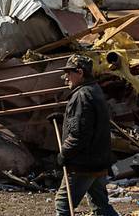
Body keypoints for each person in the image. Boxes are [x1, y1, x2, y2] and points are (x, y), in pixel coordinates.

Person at [49, 54, 119, 216]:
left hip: (83, 164)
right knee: (101, 206)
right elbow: (89, 122)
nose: (65, 77)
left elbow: (78, 135)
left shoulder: (81, 96)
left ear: (80, 72)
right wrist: (65, 119)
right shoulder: (94, 90)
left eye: (68, 73)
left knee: (63, 204)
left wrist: (64, 155)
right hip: (99, 161)